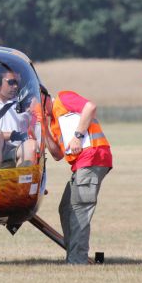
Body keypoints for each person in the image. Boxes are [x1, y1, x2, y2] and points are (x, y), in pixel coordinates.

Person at [42, 88, 112, 265]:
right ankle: (74, 254)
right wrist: (43, 126)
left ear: (43, 96)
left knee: (79, 210)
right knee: (66, 208)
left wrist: (77, 136)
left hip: (92, 157)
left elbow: (90, 107)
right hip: (80, 165)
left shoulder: (63, 98)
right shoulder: (52, 122)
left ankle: (77, 260)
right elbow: (57, 154)